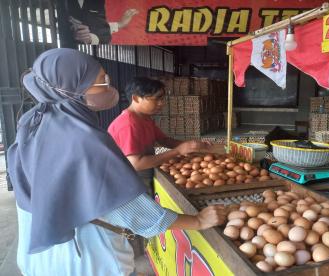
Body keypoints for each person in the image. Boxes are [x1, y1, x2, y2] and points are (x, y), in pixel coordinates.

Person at [7, 48, 226, 276]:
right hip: (86, 260)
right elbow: (131, 211)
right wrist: (198, 221)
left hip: (41, 255)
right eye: (101, 80)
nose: (107, 85)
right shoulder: (84, 140)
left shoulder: (32, 123)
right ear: (74, 86)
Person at [108, 77, 211, 196]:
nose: (162, 103)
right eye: (156, 99)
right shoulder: (128, 125)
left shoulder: (144, 118)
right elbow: (137, 163)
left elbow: (164, 140)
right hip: (127, 183)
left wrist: (191, 146)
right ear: (136, 98)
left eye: (162, 99)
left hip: (142, 176)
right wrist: (178, 151)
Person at [58, 0, 138, 46]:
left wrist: (119, 25)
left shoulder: (98, 2)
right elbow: (64, 30)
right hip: (70, 51)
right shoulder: (63, 4)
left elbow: (103, 32)